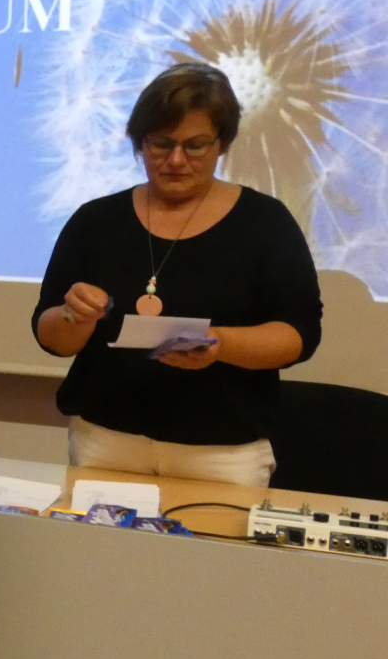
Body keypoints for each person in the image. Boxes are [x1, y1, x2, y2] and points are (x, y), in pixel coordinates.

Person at [33, 61, 323, 487]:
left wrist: (220, 344)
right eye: (160, 144)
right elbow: (50, 337)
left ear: (222, 144)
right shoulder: (96, 221)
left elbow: (299, 334)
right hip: (106, 440)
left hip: (222, 452)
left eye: (195, 146)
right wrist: (75, 315)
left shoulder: (265, 223)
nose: (175, 160)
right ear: (139, 142)